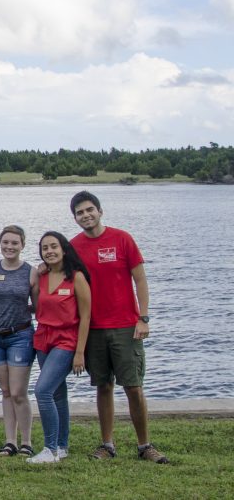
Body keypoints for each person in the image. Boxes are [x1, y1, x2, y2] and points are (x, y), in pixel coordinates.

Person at [69, 191, 169, 463]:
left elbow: (140, 280)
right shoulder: (74, 247)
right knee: (103, 386)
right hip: (93, 329)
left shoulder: (122, 238)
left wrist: (143, 317)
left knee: (134, 387)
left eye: (90, 210)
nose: (86, 215)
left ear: (100, 211)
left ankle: (144, 445)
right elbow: (60, 275)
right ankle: (107, 445)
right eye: (80, 213)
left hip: (126, 326)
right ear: (75, 218)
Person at [27, 231, 92, 464]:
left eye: (54, 246)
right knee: (57, 393)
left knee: (42, 391)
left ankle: (50, 449)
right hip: (44, 338)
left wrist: (80, 353)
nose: (49, 251)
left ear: (64, 249)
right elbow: (35, 306)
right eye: (45, 248)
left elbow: (85, 317)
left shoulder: (76, 278)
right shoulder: (42, 277)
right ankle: (62, 446)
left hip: (67, 341)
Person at [0, 225, 38, 458]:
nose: (9, 246)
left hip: (21, 336)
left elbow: (37, 306)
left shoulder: (31, 272)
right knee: (5, 391)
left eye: (14, 243)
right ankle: (10, 442)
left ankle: (26, 441)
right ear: (0, 243)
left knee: (18, 391)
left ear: (22, 245)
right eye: (6, 242)